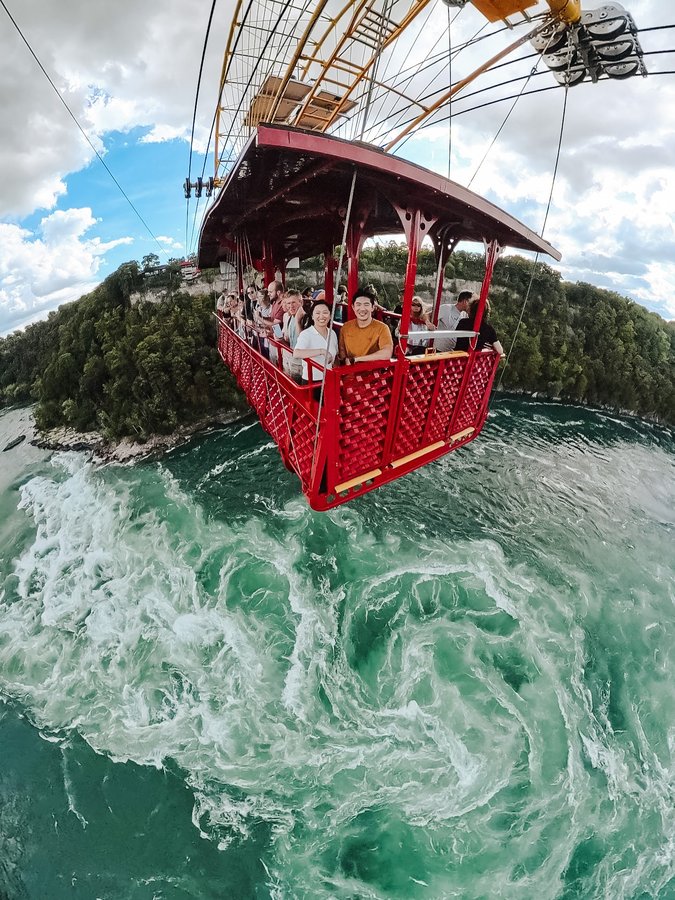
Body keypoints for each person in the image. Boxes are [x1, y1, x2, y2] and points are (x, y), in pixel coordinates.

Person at [338, 288, 393, 365]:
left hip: (373, 371)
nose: (362, 309)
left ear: (373, 307)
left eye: (366, 305)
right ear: (353, 307)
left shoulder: (382, 328)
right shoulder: (346, 327)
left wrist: (356, 359)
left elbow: (387, 353)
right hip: (350, 371)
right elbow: (342, 352)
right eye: (358, 305)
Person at [293, 301, 339, 383]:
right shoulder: (306, 334)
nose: (321, 316)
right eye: (317, 313)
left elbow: (335, 358)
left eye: (325, 313)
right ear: (312, 316)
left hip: (329, 379)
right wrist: (322, 351)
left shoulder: (332, 333)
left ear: (330, 316)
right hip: (311, 381)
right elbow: (296, 353)